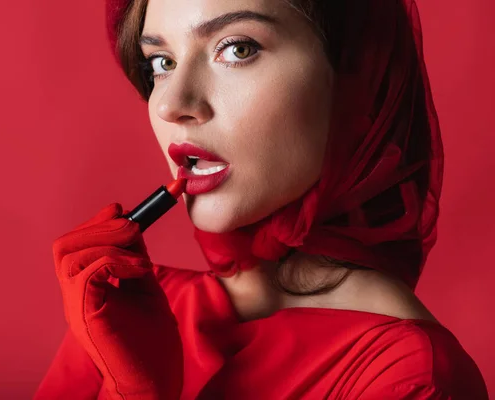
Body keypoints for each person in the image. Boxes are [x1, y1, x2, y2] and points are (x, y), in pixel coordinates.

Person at [34, 0, 489, 399]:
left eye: (237, 48)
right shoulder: (124, 315)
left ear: (357, 79)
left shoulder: (409, 378)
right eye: (161, 62)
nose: (172, 103)